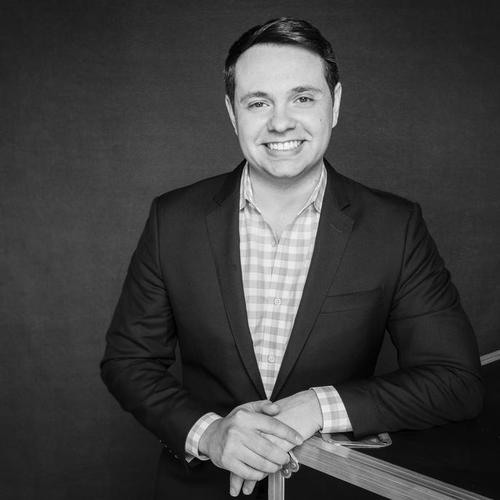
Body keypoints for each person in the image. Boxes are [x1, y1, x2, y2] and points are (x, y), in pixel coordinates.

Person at [101, 17, 484, 499]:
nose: (280, 122)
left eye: (302, 98)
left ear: (335, 104)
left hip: (332, 488)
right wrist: (210, 433)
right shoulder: (172, 218)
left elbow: (455, 381)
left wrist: (317, 406)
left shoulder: (395, 226)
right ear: (232, 112)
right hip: (201, 489)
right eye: (258, 102)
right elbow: (129, 361)